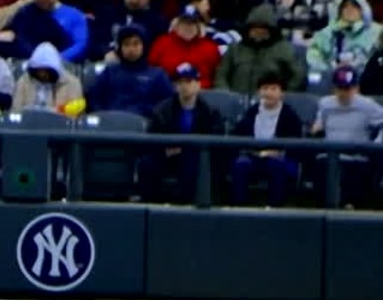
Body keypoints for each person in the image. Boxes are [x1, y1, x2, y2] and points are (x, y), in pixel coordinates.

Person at [142, 62, 223, 204]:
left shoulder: (210, 112)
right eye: (180, 82)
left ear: (198, 85)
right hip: (167, 155)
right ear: (175, 86)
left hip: (196, 157)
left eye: (189, 81)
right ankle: (150, 204)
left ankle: (186, 206)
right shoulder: (162, 110)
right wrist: (165, 149)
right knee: (147, 164)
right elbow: (152, 138)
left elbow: (216, 140)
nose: (184, 86)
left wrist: (186, 149)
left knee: (191, 161)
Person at [311, 66, 383, 206]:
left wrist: (377, 142)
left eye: (348, 89)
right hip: (330, 156)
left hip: (356, 157)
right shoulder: (325, 103)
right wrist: (317, 127)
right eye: (340, 88)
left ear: (356, 88)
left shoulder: (367, 105)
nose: (344, 93)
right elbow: (319, 124)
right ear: (334, 88)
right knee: (320, 168)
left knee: (356, 175)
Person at [230, 73, 305, 207]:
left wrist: (277, 152)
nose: (268, 93)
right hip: (254, 156)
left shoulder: (290, 116)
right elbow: (238, 136)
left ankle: (275, 208)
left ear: (281, 93)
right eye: (265, 88)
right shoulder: (251, 113)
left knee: (276, 165)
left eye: (273, 89)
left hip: (280, 157)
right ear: (259, 92)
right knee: (241, 164)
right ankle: (240, 207)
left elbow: (295, 146)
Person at [88, 25, 173, 117]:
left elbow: (167, 104)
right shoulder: (109, 72)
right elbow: (94, 100)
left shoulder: (158, 75)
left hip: (146, 126)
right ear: (120, 48)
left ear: (143, 46)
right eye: (126, 44)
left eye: (136, 44)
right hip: (111, 124)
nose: (131, 49)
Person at [214, 5, 302, 94]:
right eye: (255, 29)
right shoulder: (235, 49)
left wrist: (282, 95)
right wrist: (226, 94)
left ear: (271, 30)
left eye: (263, 29)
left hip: (269, 102)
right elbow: (221, 74)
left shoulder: (284, 49)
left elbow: (298, 75)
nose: (258, 33)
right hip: (236, 101)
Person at [307, 0, 379, 76]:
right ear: (339, 10)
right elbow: (314, 54)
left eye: (354, 6)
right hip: (333, 77)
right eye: (345, 7)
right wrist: (328, 68)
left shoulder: (377, 31)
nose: (350, 10)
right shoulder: (327, 32)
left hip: (368, 78)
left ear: (363, 9)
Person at [13, 43, 84, 114]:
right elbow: (16, 111)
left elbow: (76, 115)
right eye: (39, 70)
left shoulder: (72, 84)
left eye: (46, 71)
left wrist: (58, 111)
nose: (42, 74)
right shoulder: (24, 81)